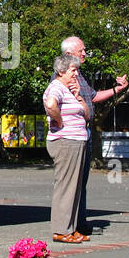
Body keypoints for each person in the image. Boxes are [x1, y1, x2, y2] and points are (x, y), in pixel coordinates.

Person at [57, 36, 128, 235]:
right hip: (72, 135)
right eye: (82, 50)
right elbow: (52, 104)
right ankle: (68, 227)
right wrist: (61, 124)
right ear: (69, 54)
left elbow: (94, 96)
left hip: (84, 133)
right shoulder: (63, 76)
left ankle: (80, 224)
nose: (85, 53)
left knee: (81, 181)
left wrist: (118, 89)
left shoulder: (79, 75)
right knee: (71, 182)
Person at [44, 53, 91, 243]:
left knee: (75, 187)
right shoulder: (56, 87)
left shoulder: (70, 90)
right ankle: (61, 230)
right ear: (61, 70)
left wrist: (78, 95)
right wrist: (60, 121)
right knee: (66, 186)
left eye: (77, 69)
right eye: (73, 70)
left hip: (76, 142)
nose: (76, 73)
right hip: (65, 142)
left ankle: (70, 228)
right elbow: (50, 104)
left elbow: (87, 114)